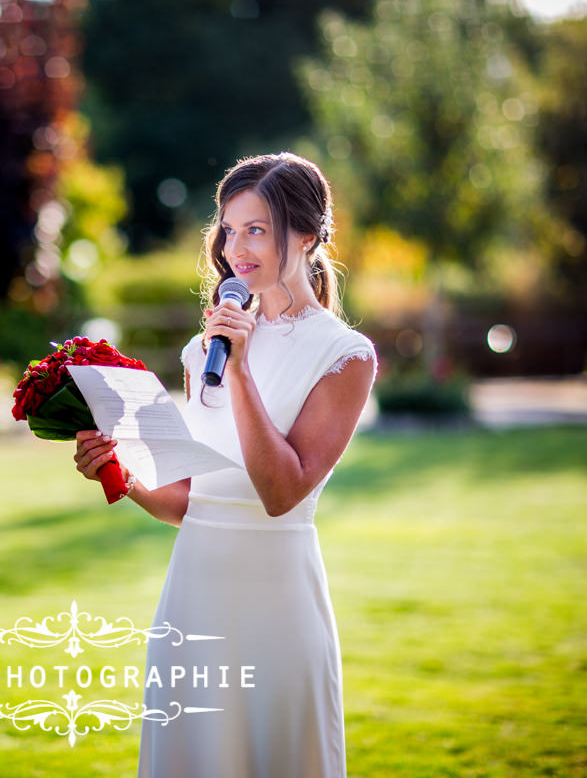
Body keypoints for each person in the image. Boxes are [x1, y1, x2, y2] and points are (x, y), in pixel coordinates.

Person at [75, 153, 377, 777]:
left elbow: (280, 491)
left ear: (308, 235)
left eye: (258, 229)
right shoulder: (201, 347)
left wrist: (238, 368)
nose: (237, 247)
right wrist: (120, 473)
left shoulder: (345, 355)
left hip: (276, 602)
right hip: (193, 595)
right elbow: (188, 500)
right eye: (230, 229)